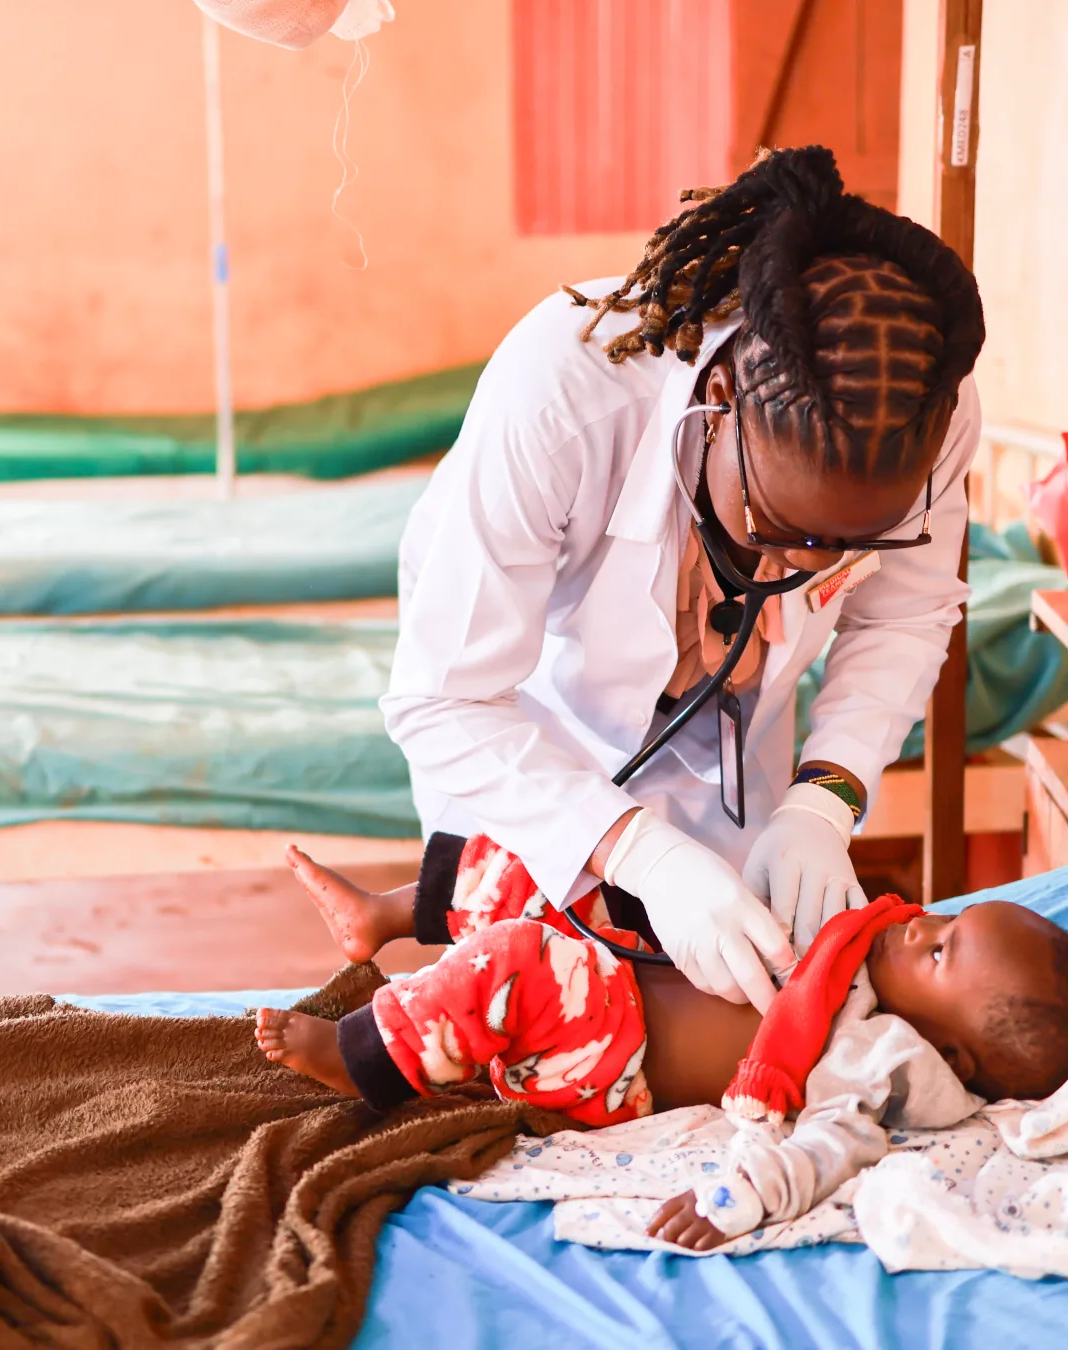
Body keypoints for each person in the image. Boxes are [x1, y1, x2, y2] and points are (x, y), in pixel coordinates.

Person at [379, 146, 985, 1013]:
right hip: (530, 731)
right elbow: (446, 701)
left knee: (715, 993)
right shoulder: (566, 390)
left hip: (735, 744)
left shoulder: (928, 406)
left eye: (861, 539)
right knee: (524, 991)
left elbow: (904, 616)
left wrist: (825, 799)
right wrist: (636, 854)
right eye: (783, 526)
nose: (816, 566)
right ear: (723, 398)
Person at [254, 838, 1068, 1249]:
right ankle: (386, 915)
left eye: (942, 952)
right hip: (632, 969)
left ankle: (363, 1057)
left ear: (956, 1054)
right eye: (951, 915)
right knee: (553, 866)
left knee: (521, 959)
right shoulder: (858, 943)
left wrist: (736, 1196)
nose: (921, 926)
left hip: (613, 1058)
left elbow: (832, 1146)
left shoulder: (883, 1052)